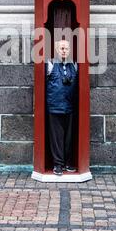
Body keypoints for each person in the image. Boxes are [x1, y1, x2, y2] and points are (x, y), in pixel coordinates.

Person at [45, 40, 78, 176]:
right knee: (56, 138)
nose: (64, 50)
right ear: (57, 50)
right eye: (62, 48)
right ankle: (58, 164)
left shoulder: (74, 65)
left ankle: (67, 162)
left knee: (69, 137)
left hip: (69, 107)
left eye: (66, 48)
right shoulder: (51, 64)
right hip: (55, 107)